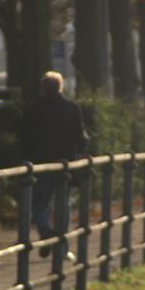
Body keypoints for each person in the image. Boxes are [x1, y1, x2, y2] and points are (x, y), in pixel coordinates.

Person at [18, 71, 89, 257]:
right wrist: (80, 152)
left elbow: (24, 136)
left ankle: (46, 232)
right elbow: (80, 135)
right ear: (60, 87)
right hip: (65, 162)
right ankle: (62, 246)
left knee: (40, 202)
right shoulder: (71, 107)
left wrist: (27, 156)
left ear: (43, 88)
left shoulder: (33, 108)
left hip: (42, 163)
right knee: (63, 202)